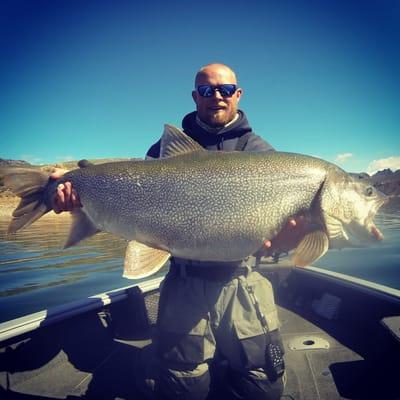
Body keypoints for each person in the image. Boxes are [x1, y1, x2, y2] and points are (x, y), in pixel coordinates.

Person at [52, 63, 302, 399]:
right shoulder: (162, 150)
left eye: (225, 90)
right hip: (182, 282)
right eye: (207, 90)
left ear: (238, 95)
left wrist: (290, 240)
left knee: (263, 383)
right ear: (194, 96)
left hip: (243, 281)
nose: (217, 96)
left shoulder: (260, 152)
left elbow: (279, 231)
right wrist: (75, 190)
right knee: (182, 385)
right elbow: (129, 201)